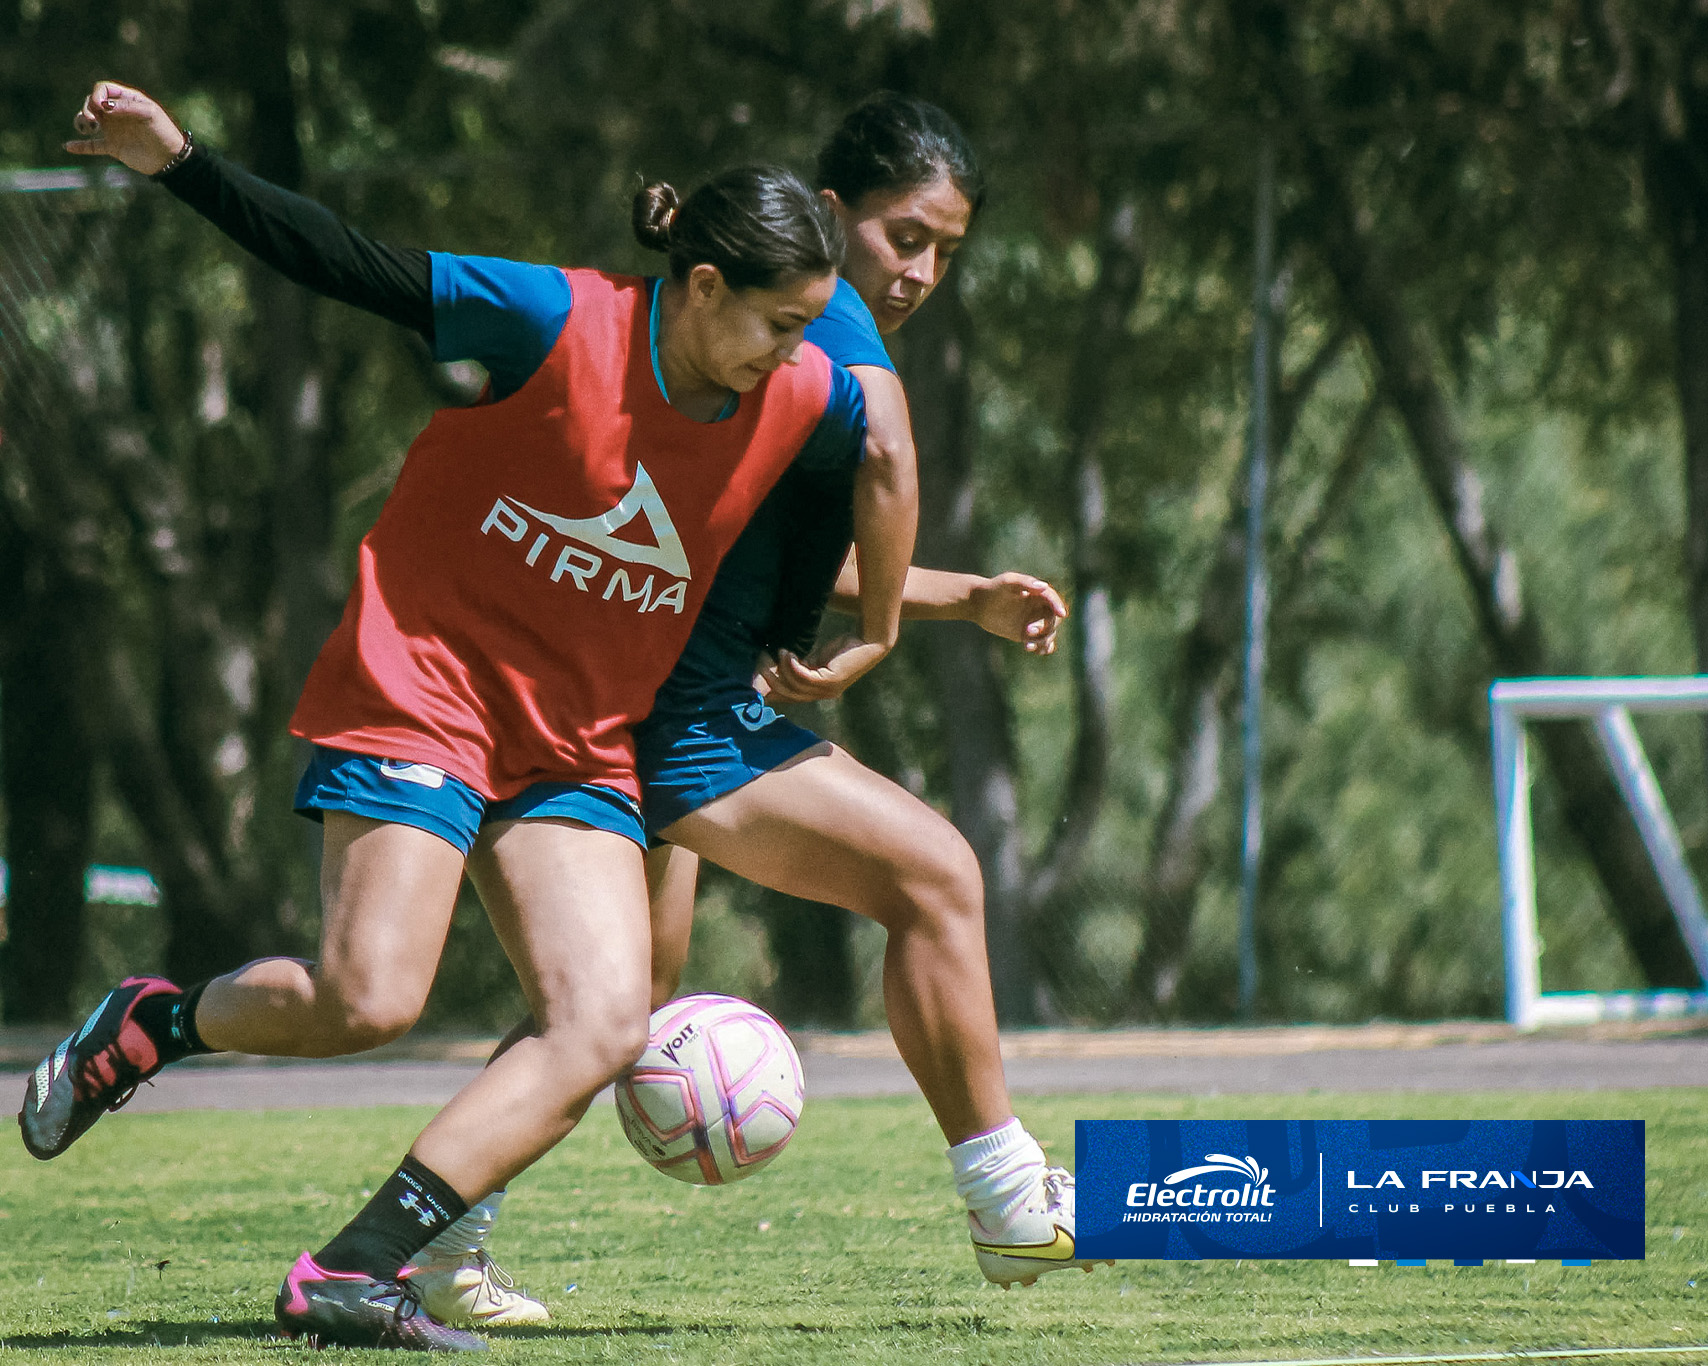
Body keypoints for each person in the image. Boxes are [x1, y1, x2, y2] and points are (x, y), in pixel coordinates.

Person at [21, 81, 910, 1353]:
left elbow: (844, 463)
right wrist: (179, 164)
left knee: (602, 1021)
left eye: (814, 326)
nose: (797, 352)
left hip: (574, 735)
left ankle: (354, 1268)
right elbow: (347, 261)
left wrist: (792, 638)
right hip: (425, 684)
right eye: (779, 321)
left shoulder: (803, 392)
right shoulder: (556, 319)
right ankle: (155, 1022)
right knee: (367, 1000)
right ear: (701, 287)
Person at [407, 94, 1097, 1327]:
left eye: (946, 249)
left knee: (606, 1008)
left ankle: (432, 1241)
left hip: (647, 700)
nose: (922, 271)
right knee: (935, 875)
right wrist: (884, 631)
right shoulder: (821, 306)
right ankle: (1010, 1206)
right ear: (833, 218)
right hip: (684, 718)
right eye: (904, 236)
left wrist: (956, 598)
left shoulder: (776, 342)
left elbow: (758, 549)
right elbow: (885, 451)